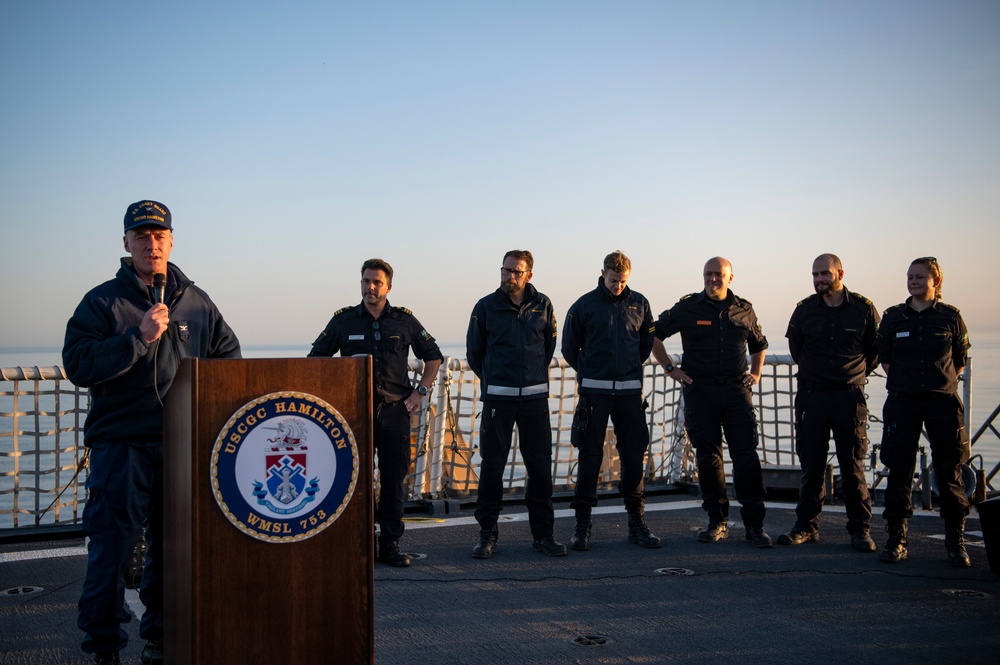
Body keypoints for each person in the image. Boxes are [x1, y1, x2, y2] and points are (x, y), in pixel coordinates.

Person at [63, 200, 242, 665]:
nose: (151, 244)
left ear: (172, 241)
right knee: (113, 549)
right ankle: (104, 649)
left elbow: (229, 359)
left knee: (172, 549)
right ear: (126, 244)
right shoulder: (102, 301)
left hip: (182, 447)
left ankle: (160, 639)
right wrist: (137, 339)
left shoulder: (197, 302)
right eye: (141, 236)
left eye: (159, 236)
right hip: (121, 447)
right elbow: (77, 363)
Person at [309, 259, 442, 568]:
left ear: (388, 287)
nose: (370, 287)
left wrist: (420, 391)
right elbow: (316, 360)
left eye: (376, 282)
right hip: (354, 413)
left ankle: (391, 544)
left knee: (394, 480)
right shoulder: (343, 321)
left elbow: (433, 355)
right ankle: (362, 541)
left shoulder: (404, 321)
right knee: (357, 480)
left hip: (396, 411)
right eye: (365, 281)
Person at [651, 256, 772, 548]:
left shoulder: (744, 309)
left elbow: (759, 345)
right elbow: (653, 335)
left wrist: (755, 373)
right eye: (708, 274)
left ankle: (754, 526)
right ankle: (717, 522)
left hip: (735, 392)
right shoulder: (688, 306)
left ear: (730, 277)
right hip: (700, 392)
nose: (712, 279)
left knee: (746, 457)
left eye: (718, 274)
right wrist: (670, 368)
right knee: (709, 458)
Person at [466, 250, 566, 558]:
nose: (509, 276)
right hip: (498, 398)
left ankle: (543, 535)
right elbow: (474, 353)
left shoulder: (544, 305)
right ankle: (487, 535)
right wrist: (497, 380)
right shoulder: (485, 307)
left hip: (535, 399)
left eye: (516, 272)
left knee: (539, 468)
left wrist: (530, 377)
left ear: (529, 275)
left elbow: (548, 346)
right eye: (505, 270)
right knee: (493, 467)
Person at [778, 254, 880, 552]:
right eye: (815, 274)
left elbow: (873, 353)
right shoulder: (804, 310)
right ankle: (806, 526)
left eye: (824, 273)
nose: (819, 279)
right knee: (811, 464)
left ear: (840, 273)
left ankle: (859, 530)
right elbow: (797, 350)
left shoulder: (863, 309)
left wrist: (849, 374)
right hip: (813, 396)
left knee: (853, 465)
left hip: (849, 396)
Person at [562, 250, 661, 550]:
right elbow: (569, 347)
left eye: (623, 281)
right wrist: (592, 370)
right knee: (590, 458)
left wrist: (627, 369)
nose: (618, 285)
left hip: (630, 393)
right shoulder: (584, 305)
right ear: (603, 273)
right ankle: (582, 527)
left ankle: (637, 524)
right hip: (594, 392)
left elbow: (645, 344)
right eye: (613, 280)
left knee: (633, 457)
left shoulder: (640, 303)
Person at [877, 257, 972, 568]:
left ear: (936, 282)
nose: (913, 281)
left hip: (941, 402)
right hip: (903, 402)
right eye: (910, 277)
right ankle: (897, 540)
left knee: (950, 473)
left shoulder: (950, 317)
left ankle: (955, 543)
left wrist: (938, 382)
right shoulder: (893, 317)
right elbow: (885, 359)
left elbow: (959, 359)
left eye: (919, 277)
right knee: (899, 472)